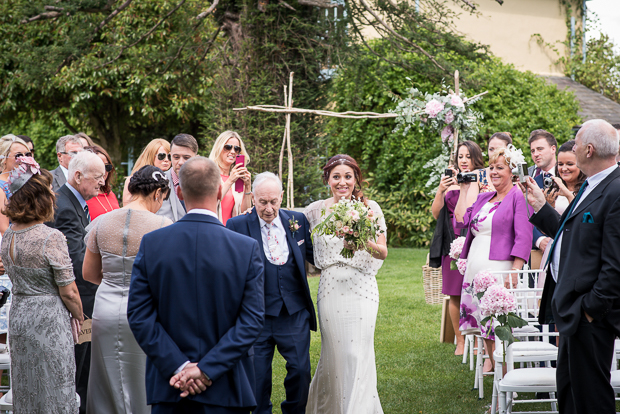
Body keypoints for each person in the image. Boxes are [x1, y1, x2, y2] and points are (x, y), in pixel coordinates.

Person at [128, 157, 265, 414]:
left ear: (179, 192)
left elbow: (139, 316)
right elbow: (252, 320)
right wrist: (205, 369)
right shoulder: (245, 248)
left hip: (171, 385)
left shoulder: (152, 244)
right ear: (219, 191)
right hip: (227, 385)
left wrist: (180, 367)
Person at [522, 119, 620, 414]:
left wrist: (591, 309)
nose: (572, 148)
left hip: (588, 314)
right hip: (571, 309)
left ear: (589, 150)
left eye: (576, 144)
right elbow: (573, 236)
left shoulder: (615, 191)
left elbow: (615, 264)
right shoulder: (590, 186)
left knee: (591, 396)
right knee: (569, 390)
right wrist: (541, 207)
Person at [84, 166, 172, 414]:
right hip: (143, 311)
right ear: (157, 193)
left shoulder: (102, 221)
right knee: (141, 376)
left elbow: (89, 273)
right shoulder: (164, 225)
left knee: (105, 377)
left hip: (106, 311)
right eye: (162, 198)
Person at [304, 154, 388, 414]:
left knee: (356, 352)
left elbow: (383, 252)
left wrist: (362, 241)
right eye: (336, 176)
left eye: (347, 176)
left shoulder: (370, 207)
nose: (342, 182)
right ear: (327, 179)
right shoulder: (315, 211)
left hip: (362, 287)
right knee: (336, 354)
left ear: (356, 179)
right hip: (330, 290)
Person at [226, 172, 315, 414]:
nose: (268, 208)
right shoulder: (237, 225)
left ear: (282, 197)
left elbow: (316, 257)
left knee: (300, 371)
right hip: (256, 316)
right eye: (262, 202)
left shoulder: (297, 220)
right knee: (256, 379)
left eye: (273, 202)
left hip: (293, 312)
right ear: (252, 197)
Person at [1, 157, 83, 413]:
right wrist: (79, 315)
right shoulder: (50, 237)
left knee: (27, 386)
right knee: (54, 385)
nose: (53, 195)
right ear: (39, 199)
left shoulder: (9, 235)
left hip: (20, 316)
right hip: (48, 319)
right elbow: (68, 290)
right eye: (49, 192)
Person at [455, 145, 533, 371]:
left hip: (498, 269)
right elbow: (461, 220)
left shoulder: (519, 196)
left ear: (513, 172)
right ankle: (500, 377)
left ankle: (507, 377)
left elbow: (524, 235)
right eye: (491, 167)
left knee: (498, 325)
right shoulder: (484, 198)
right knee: (484, 327)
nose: (494, 171)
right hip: (475, 270)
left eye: (500, 167)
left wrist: (516, 269)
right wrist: (464, 188)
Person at [47, 150, 106, 414]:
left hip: (83, 301)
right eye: (98, 177)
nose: (102, 183)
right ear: (78, 175)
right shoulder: (66, 205)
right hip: (79, 303)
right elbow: (77, 262)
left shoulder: (74, 201)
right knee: (78, 373)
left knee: (84, 372)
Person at [429, 141, 484, 356]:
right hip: (451, 241)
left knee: (476, 290)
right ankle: (460, 342)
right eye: (460, 156)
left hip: (473, 237)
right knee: (454, 293)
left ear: (475, 158)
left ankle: (479, 340)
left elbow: (470, 212)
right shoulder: (450, 183)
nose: (463, 160)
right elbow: (436, 214)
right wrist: (441, 190)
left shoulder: (482, 180)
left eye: (468, 156)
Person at [208, 131, 252, 225]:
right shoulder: (208, 174)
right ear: (218, 148)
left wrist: (248, 187)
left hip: (231, 234)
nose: (232, 152)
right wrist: (230, 180)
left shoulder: (237, 179)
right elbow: (209, 205)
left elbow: (245, 213)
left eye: (236, 149)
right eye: (228, 147)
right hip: (214, 230)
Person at [528, 130, 558, 254]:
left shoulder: (570, 176)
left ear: (553, 149)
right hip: (539, 253)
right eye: (533, 151)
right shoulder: (532, 183)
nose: (536, 154)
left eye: (540, 149)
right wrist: (539, 240)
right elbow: (525, 216)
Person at [157, 134, 198, 223]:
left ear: (196, 158)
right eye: (176, 157)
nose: (180, 162)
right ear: (170, 156)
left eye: (186, 158)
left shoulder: (204, 183)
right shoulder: (157, 182)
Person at [122, 138, 172, 205]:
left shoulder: (174, 180)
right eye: (161, 156)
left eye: (169, 156)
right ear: (151, 156)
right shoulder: (133, 180)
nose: (166, 160)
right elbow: (128, 210)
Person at [544, 140, 587, 215]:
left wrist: (567, 193)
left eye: (569, 164)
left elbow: (580, 215)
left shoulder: (587, 189)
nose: (564, 169)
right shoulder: (554, 190)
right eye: (560, 164)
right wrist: (549, 206)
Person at [0, 134, 31, 235]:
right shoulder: (1, 188)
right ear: (3, 159)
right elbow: (4, 229)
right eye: (18, 155)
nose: (24, 159)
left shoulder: (28, 183)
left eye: (27, 155)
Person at [85, 146, 120, 220]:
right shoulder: (84, 196)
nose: (104, 171)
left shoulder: (110, 193)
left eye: (107, 167)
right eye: (99, 166)